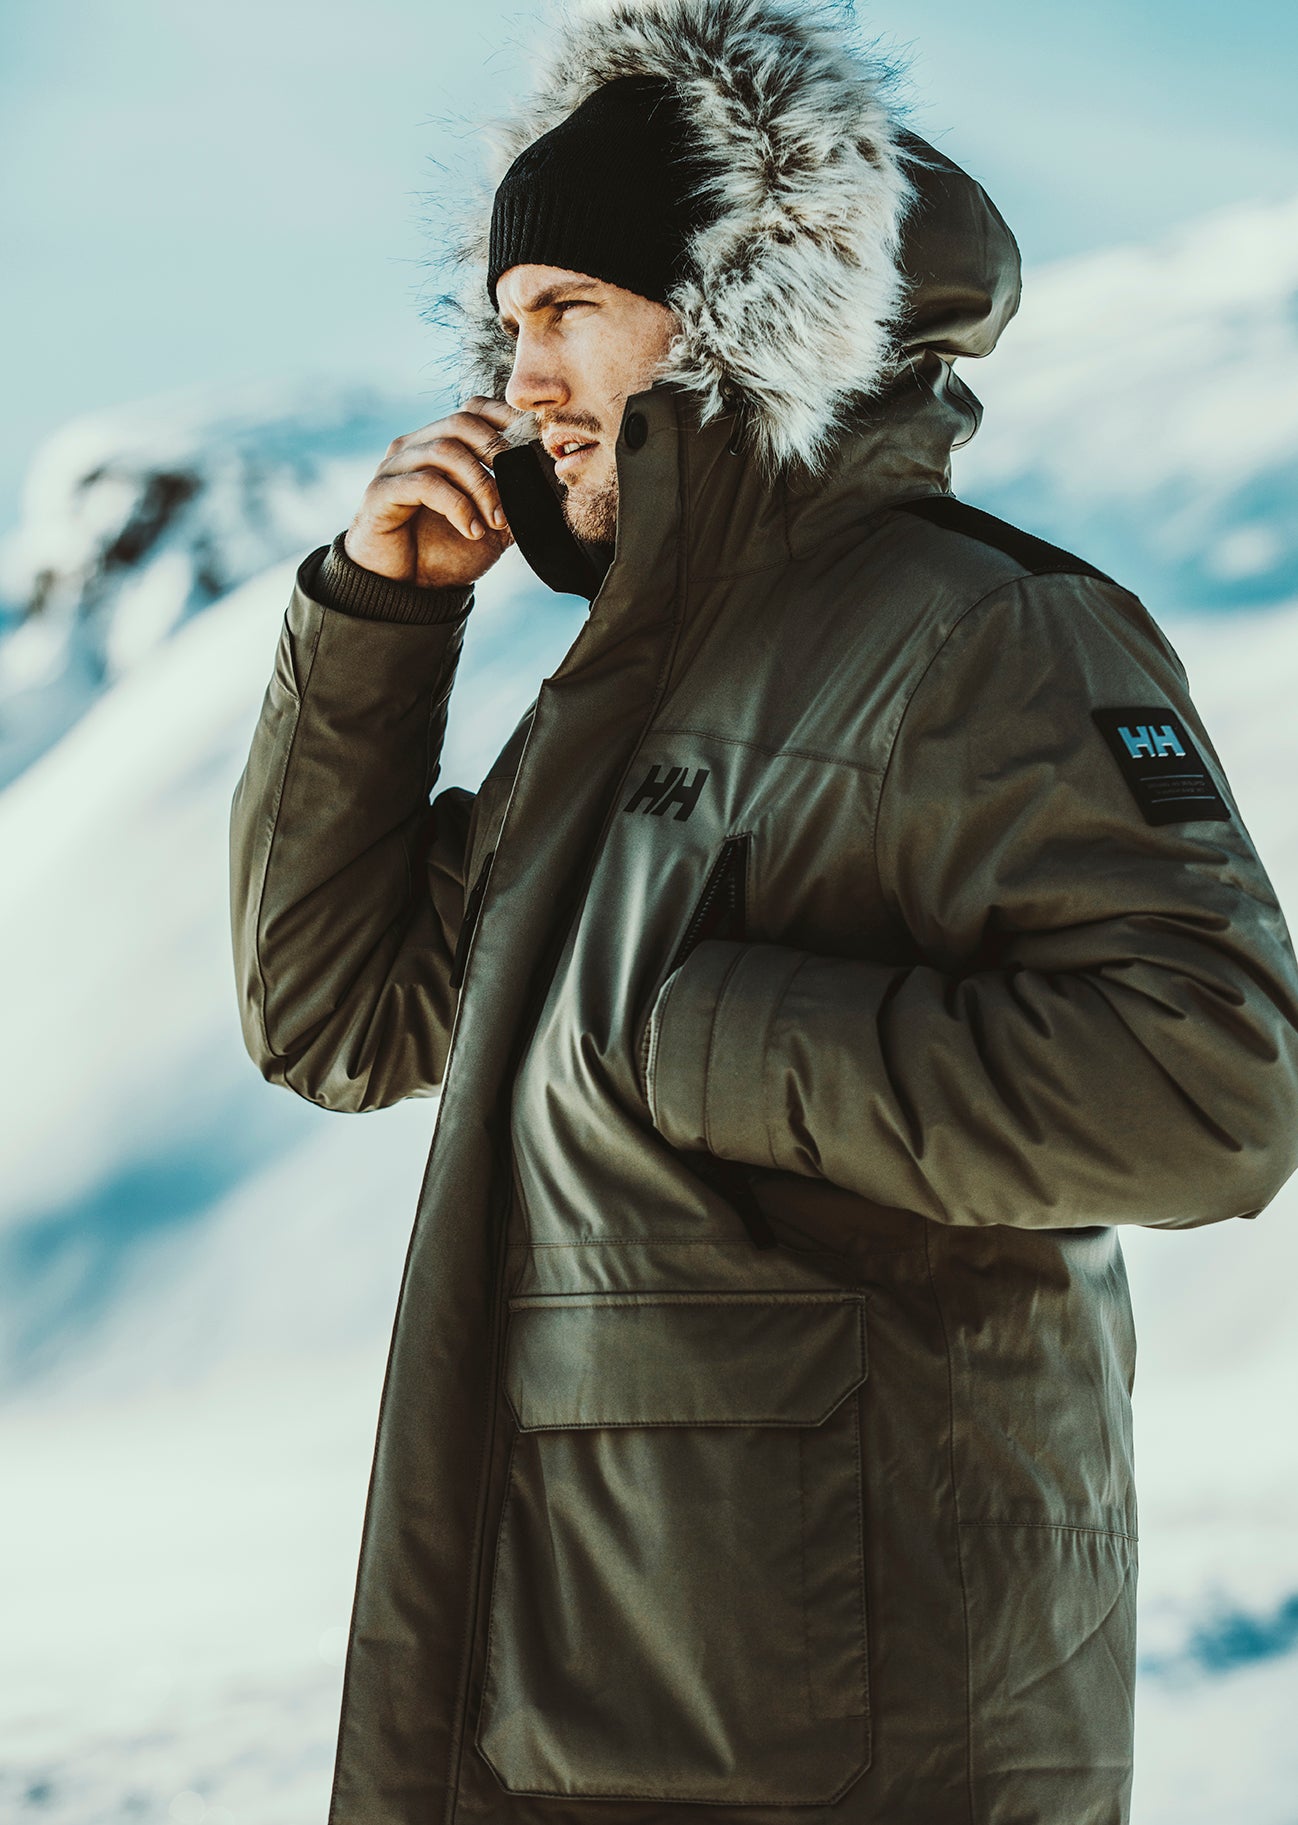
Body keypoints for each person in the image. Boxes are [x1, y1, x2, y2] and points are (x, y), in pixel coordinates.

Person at [229, 1, 1298, 1821]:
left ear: (726, 305)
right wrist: (376, 626)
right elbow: (336, 1013)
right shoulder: (625, 693)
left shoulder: (982, 629)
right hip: (579, 1711)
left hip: (851, 1751)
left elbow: (1215, 1086)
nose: (522, 378)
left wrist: (712, 1043)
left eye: (568, 308)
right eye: (505, 322)